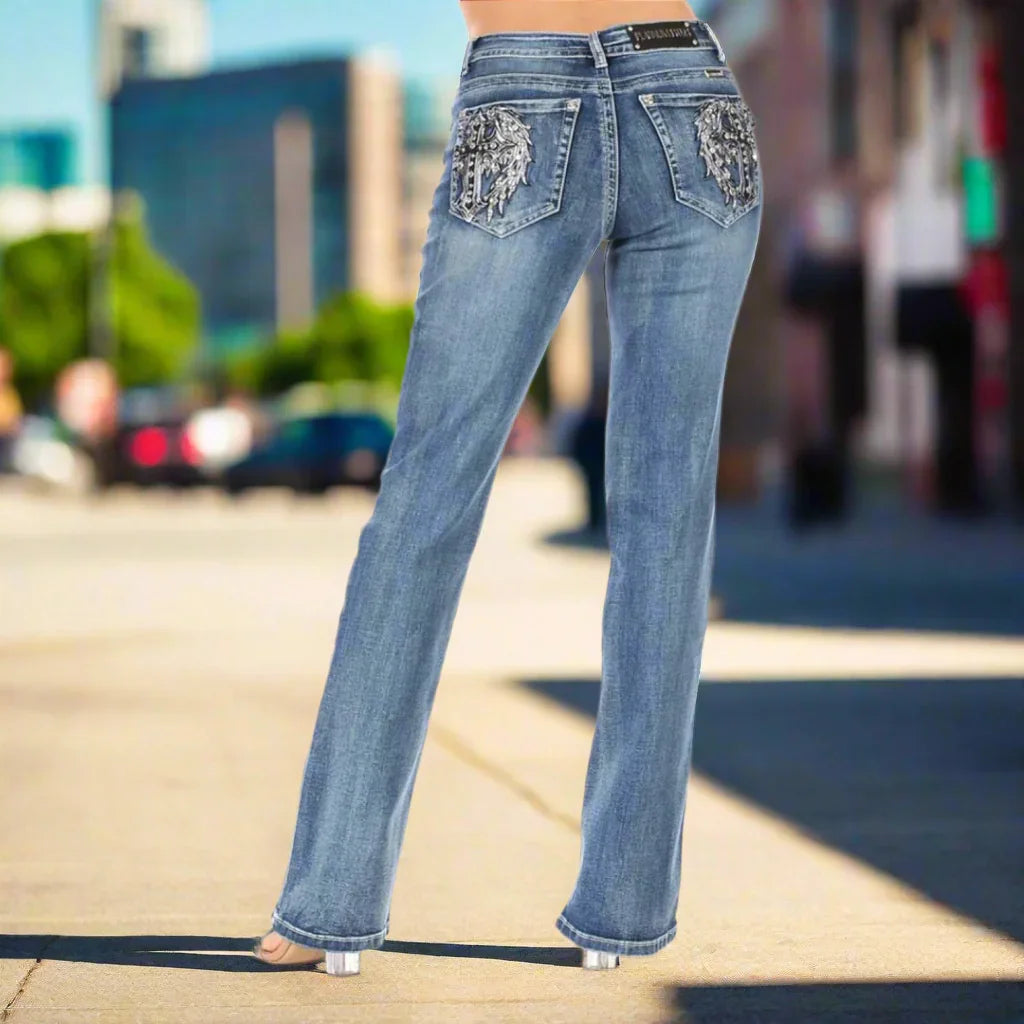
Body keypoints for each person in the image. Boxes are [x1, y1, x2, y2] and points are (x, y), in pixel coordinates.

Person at [255, 0, 762, 975]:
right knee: (664, 522)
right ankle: (622, 910)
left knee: (424, 506)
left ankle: (331, 902)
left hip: (530, 90)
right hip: (690, 91)